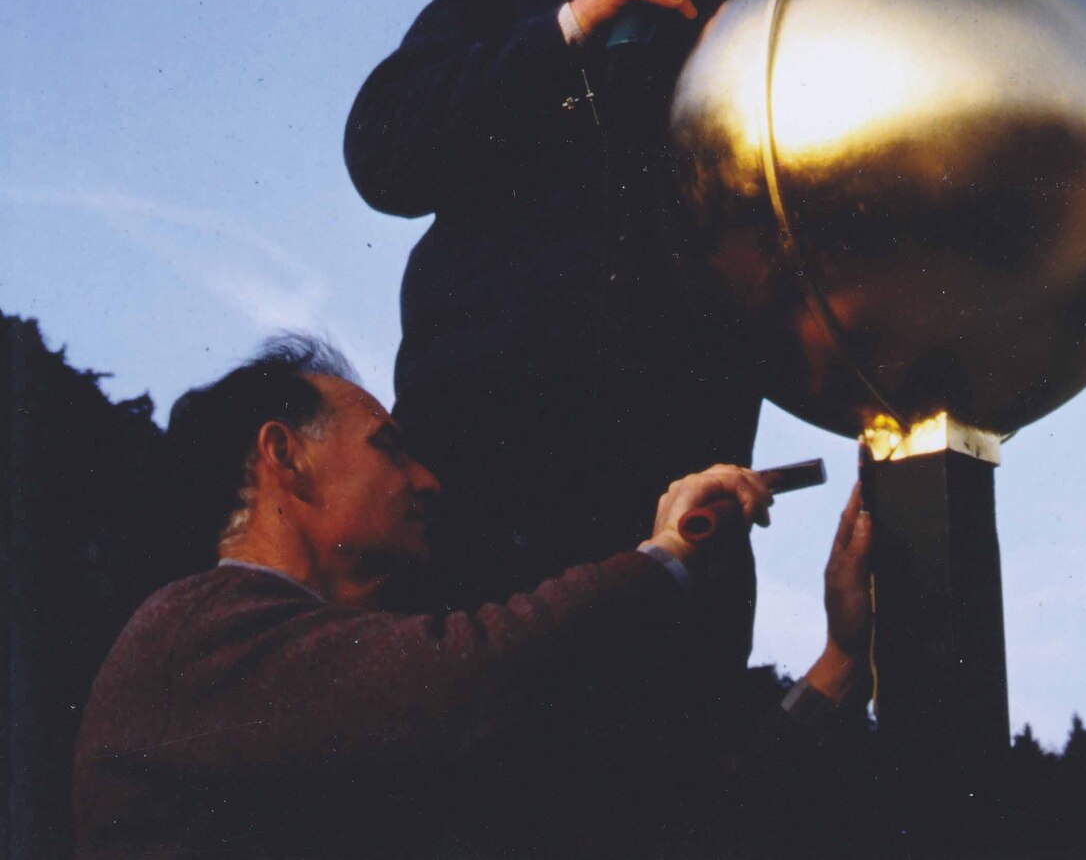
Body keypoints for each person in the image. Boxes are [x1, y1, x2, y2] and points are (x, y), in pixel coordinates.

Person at [344, 0, 1021, 602]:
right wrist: (575, 23)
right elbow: (384, 152)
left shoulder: (761, 8)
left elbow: (874, 117)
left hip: (680, 496)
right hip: (490, 492)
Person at [73, 336, 874, 860]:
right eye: (389, 449)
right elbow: (466, 674)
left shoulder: (356, 716)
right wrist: (667, 555)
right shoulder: (190, 634)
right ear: (287, 456)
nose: (425, 480)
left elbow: (664, 834)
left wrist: (840, 665)